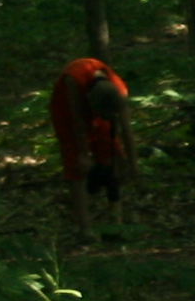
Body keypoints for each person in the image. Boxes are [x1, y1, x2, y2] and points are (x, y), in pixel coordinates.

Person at [49, 56, 135, 211]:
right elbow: (77, 120)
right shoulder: (73, 80)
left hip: (101, 102)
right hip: (66, 111)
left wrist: (133, 164)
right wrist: (83, 153)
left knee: (112, 156)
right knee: (76, 166)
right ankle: (83, 222)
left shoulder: (119, 90)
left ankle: (115, 214)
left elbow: (126, 130)